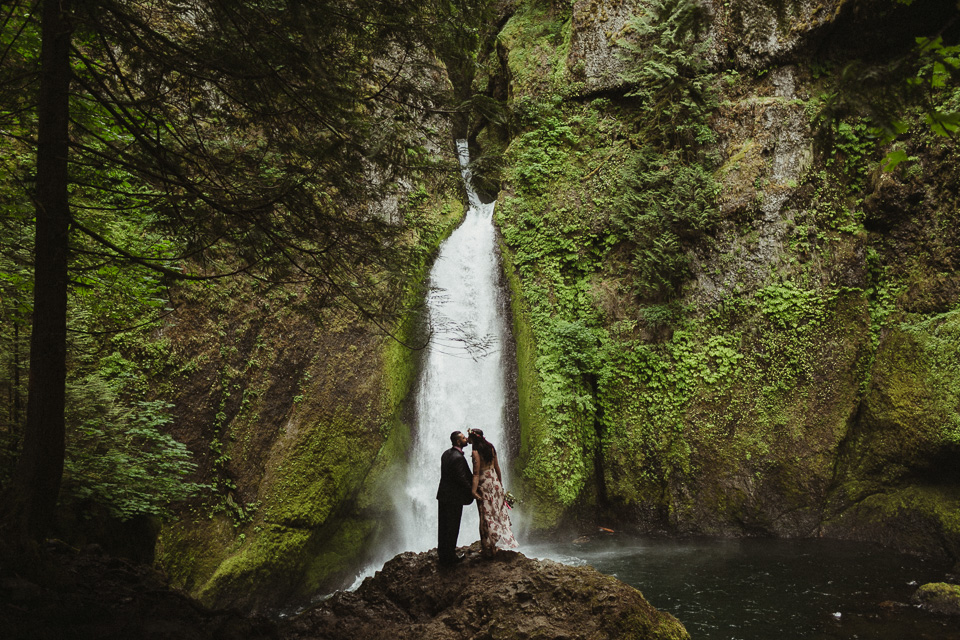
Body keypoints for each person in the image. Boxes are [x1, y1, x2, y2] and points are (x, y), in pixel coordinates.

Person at [467, 428, 518, 556]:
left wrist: (473, 490)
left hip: (484, 484)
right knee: (497, 513)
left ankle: (486, 547)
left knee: (485, 515)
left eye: (469, 437)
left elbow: (476, 473)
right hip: (494, 482)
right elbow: (497, 467)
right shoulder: (491, 448)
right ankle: (494, 545)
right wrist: (500, 484)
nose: (468, 440)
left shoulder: (475, 452)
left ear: (473, 439)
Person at [436, 430, 474, 565]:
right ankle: (450, 557)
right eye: (464, 438)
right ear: (458, 441)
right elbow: (462, 479)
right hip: (453, 498)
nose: (466, 439)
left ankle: (442, 555)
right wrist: (473, 492)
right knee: (452, 526)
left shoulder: (446, 454)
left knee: (443, 526)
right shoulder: (458, 457)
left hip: (443, 496)